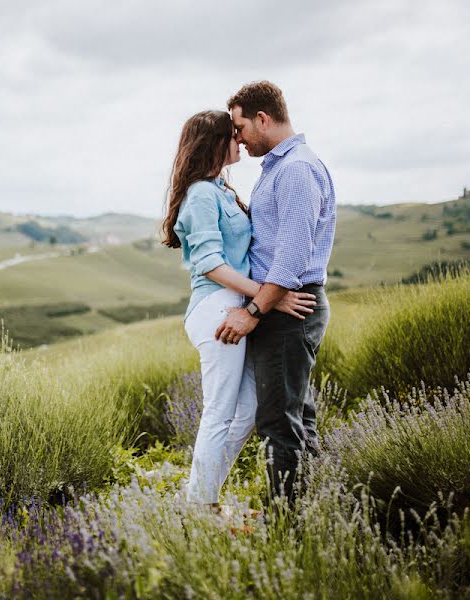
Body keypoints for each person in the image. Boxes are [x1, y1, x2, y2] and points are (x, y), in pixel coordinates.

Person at [161, 109, 317, 510]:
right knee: (219, 411)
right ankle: (200, 508)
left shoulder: (220, 189)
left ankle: (201, 494)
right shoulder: (199, 195)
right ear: (214, 142)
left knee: (246, 412)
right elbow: (211, 264)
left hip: (237, 306)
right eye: (232, 134)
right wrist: (272, 294)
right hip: (216, 308)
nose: (240, 140)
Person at [215, 81, 337, 503]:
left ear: (263, 119)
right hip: (282, 304)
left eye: (240, 126)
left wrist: (253, 311)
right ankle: (312, 510)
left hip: (289, 309)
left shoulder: (296, 169)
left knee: (278, 423)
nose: (238, 138)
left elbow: (290, 256)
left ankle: (287, 526)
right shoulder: (280, 167)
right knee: (296, 415)